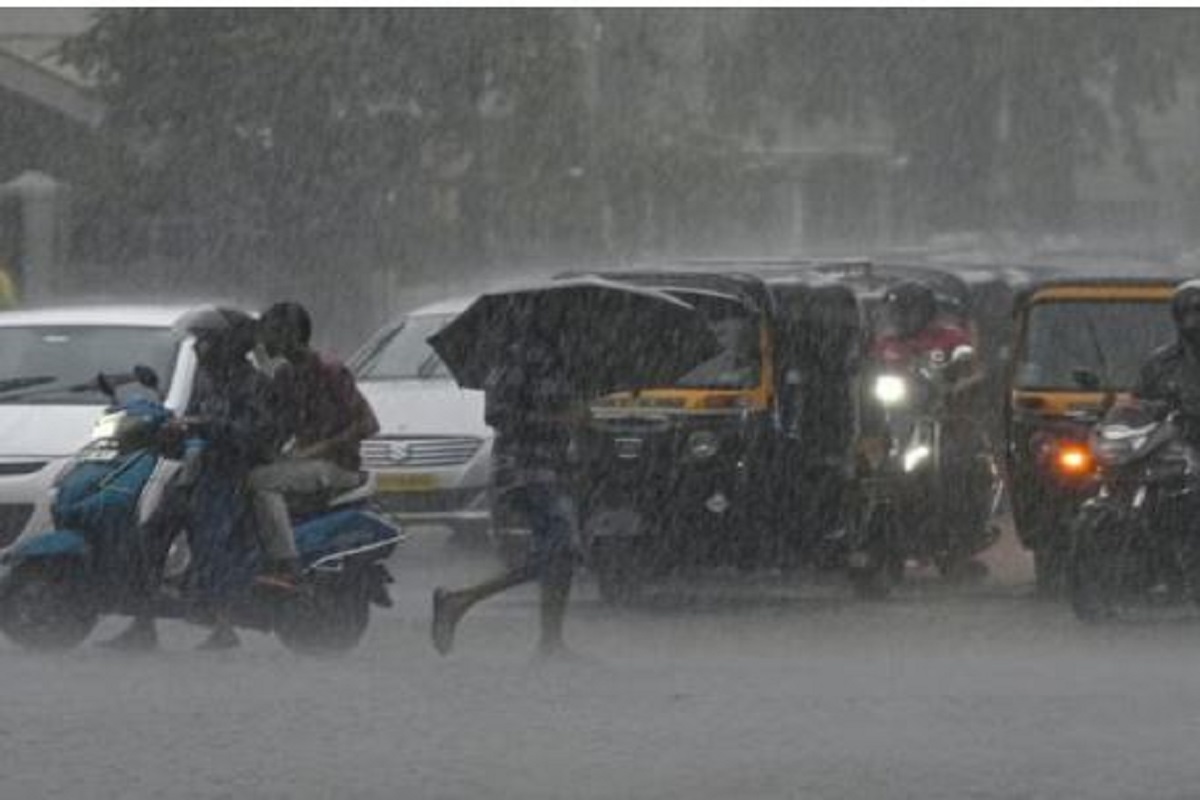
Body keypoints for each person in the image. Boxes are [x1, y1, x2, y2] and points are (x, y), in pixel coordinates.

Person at [99, 308, 278, 651]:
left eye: (205, 341)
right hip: (197, 471)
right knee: (151, 537)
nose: (198, 348)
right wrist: (170, 432)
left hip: (233, 476)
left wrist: (205, 427)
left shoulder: (255, 385)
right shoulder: (206, 379)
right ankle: (143, 624)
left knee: (212, 547)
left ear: (227, 345)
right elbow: (193, 423)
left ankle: (224, 627)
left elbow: (255, 437)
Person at [430, 325, 585, 658]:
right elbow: (497, 413)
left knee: (560, 555)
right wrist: (555, 420)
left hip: (553, 467)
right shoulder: (518, 354)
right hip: (523, 469)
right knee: (561, 546)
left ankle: (550, 642)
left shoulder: (565, 356)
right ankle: (460, 599)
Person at [249, 302, 380, 588]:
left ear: (291, 335)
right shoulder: (285, 376)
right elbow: (278, 425)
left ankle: (287, 563)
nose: (264, 340)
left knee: (260, 482)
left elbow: (369, 424)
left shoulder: (330, 371)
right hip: (305, 463)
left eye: (270, 332)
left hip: (338, 465)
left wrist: (318, 448)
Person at [1134, 279, 1200, 435]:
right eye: (1186, 310)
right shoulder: (1159, 363)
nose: (1196, 318)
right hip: (1172, 442)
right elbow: (1137, 407)